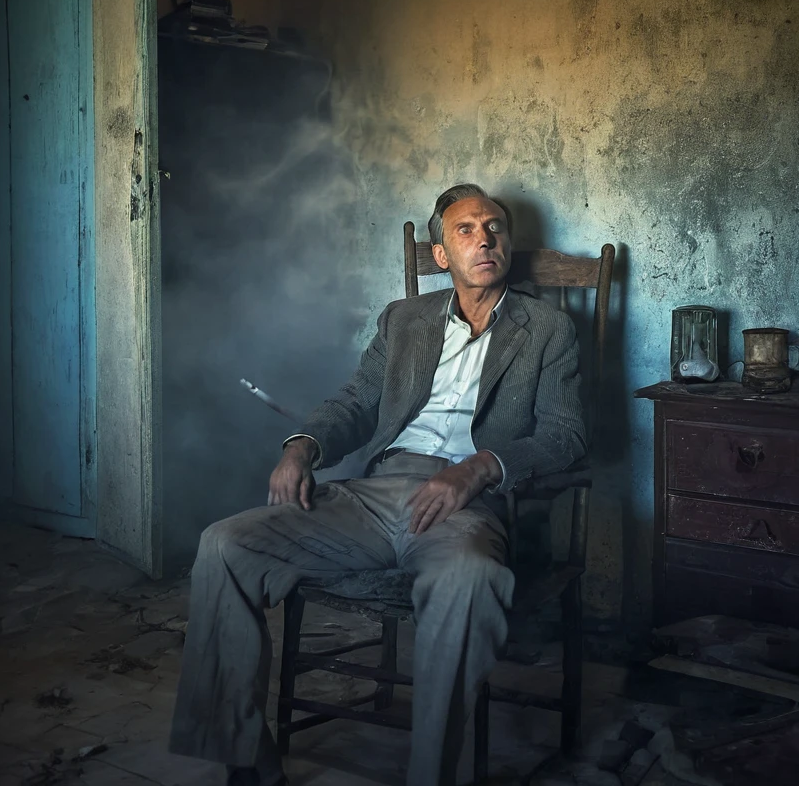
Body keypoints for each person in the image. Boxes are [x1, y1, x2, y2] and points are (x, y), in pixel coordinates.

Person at [169, 183, 586, 786]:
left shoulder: (547, 330)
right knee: (224, 545)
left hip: (467, 506)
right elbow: (355, 405)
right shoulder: (404, 319)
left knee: (472, 579)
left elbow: (566, 435)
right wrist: (300, 448)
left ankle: (432, 776)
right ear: (441, 254)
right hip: (373, 497)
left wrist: (476, 469)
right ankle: (246, 763)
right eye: (465, 230)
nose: (484, 239)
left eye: (494, 227)